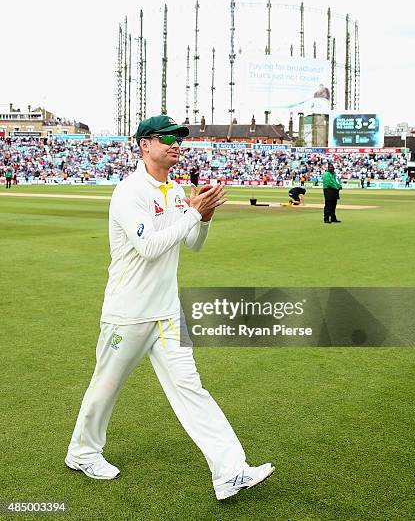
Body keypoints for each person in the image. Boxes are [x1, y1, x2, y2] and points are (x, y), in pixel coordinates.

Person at [65, 114, 274, 501]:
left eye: (180, 139)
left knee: (191, 388)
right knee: (104, 388)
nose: (177, 144)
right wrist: (193, 214)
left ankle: (231, 471)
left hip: (167, 313)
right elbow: (149, 248)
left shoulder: (176, 191)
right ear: (146, 145)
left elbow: (191, 244)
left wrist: (204, 219)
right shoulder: (130, 192)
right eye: (168, 139)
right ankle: (82, 452)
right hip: (128, 313)